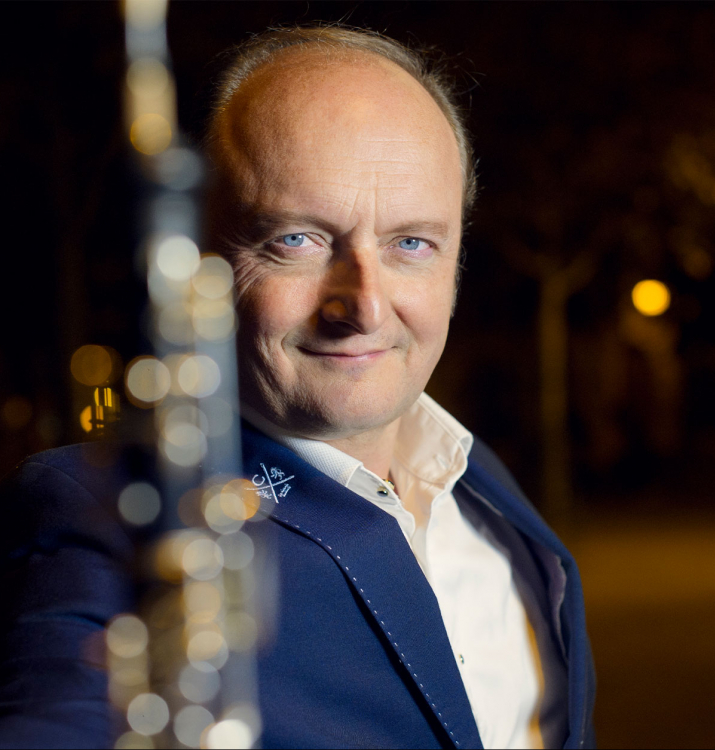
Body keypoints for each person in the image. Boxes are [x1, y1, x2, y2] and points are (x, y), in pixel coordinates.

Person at [0, 26, 595, 750]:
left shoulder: (482, 488)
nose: (365, 307)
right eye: (297, 240)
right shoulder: (107, 513)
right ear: (203, 256)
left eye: (411, 242)